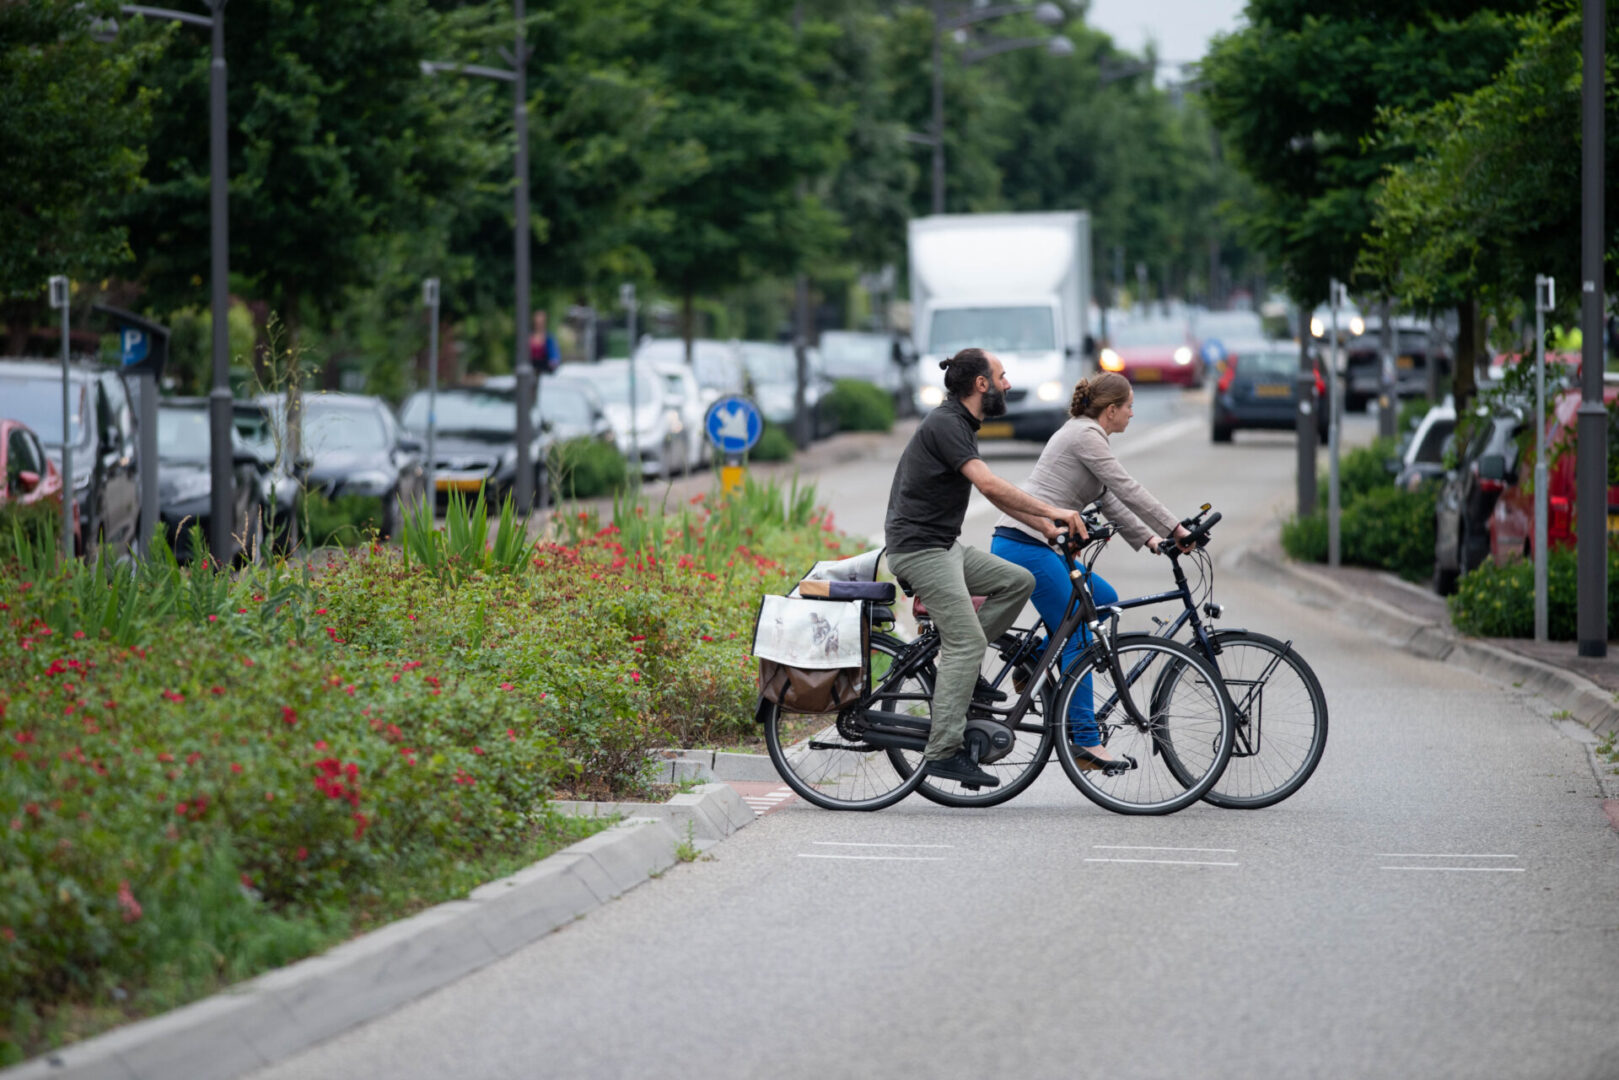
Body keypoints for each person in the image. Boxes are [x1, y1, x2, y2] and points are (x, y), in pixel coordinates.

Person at [884, 347, 1086, 789]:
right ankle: (942, 753)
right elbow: (991, 484)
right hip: (919, 551)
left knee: (1018, 582)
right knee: (966, 640)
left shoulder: (960, 423)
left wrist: (1047, 530)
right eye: (1002, 376)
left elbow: (993, 496)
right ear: (981, 384)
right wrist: (1055, 511)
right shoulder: (946, 423)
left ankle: (964, 673)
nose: (1008, 384)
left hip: (944, 547)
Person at [987, 372, 1190, 769]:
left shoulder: (1086, 435)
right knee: (1082, 630)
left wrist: (1154, 541)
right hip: (1026, 544)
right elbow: (1127, 487)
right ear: (1110, 410)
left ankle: (1035, 659)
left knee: (1106, 601)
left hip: (1037, 544)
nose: (1133, 413)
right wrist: (1176, 528)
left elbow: (1110, 500)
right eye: (1129, 406)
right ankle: (1083, 741)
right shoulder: (1085, 435)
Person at [529, 310, 560, 374]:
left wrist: (553, 362)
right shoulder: (529, 336)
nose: (539, 324)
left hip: (545, 368)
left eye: (541, 322)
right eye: (537, 322)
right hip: (531, 367)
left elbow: (554, 354)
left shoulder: (549, 337)